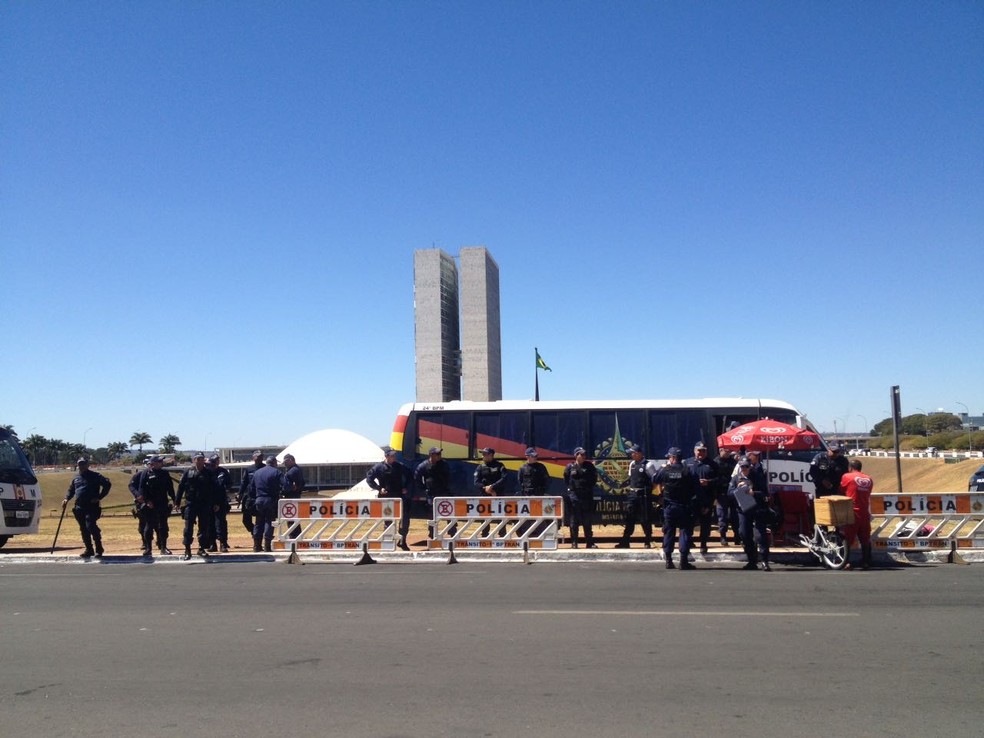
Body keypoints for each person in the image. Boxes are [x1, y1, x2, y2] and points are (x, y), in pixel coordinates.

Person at [653, 447, 696, 569]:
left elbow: (655, 479)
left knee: (669, 532)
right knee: (684, 532)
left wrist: (662, 467)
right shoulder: (687, 470)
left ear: (672, 458)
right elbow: (695, 488)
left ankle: (669, 560)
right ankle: (683, 561)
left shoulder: (665, 470)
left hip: (669, 507)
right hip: (684, 506)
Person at [62, 458, 112, 558]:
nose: (81, 466)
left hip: (92, 506)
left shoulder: (96, 476)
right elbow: (71, 490)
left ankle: (99, 548)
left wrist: (99, 497)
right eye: (79, 464)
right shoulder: (76, 478)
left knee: (90, 525)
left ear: (87, 465)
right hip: (79, 507)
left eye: (83, 464)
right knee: (83, 529)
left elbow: (107, 484)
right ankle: (89, 550)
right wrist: (66, 499)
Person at [729, 456, 772, 571]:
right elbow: (729, 493)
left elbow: (765, 493)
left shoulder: (758, 477)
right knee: (743, 533)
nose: (744, 469)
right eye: (742, 467)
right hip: (743, 509)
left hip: (757, 508)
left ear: (750, 466)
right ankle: (751, 560)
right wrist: (736, 490)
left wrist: (754, 493)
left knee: (760, 535)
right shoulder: (735, 479)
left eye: (746, 467)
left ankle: (764, 560)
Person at [175, 452, 219, 560]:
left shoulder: (208, 473)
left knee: (203, 528)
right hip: (191, 503)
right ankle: (187, 549)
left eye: (201, 459)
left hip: (204, 504)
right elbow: (181, 488)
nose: (200, 461)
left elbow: (215, 489)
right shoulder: (188, 472)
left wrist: (215, 503)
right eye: (198, 459)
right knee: (188, 528)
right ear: (194, 460)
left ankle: (201, 548)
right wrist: (177, 502)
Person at [367, 446, 412, 550]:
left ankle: (402, 540)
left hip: (400, 497)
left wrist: (406, 488)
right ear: (386, 456)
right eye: (391, 455)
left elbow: (410, 475)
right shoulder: (378, 467)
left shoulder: (400, 466)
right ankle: (388, 543)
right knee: (388, 521)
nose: (394, 457)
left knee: (404, 520)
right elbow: (369, 479)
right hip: (386, 498)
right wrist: (379, 488)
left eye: (394, 455)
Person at [134, 455, 177, 556]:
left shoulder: (165, 473)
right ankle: (148, 548)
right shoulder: (145, 473)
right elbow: (141, 489)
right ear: (153, 463)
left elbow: (170, 488)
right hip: (150, 504)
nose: (161, 463)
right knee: (149, 526)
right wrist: (147, 501)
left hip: (162, 503)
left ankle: (163, 547)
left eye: (161, 461)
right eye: (159, 461)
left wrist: (175, 500)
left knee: (163, 526)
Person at [617, 444, 657, 549]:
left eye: (633, 453)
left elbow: (655, 480)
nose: (631, 455)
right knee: (629, 518)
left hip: (643, 495)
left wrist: (648, 490)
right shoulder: (632, 464)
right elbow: (631, 478)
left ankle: (647, 541)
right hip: (633, 494)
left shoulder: (648, 465)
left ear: (639, 453)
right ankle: (625, 541)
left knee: (645, 519)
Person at [839, 459, 875, 569]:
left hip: (852, 511)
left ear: (850, 468)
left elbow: (841, 490)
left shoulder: (847, 476)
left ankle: (845, 562)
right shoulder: (869, 479)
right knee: (865, 538)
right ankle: (866, 561)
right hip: (865, 511)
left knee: (847, 538)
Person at [684, 442, 718, 555]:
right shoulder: (687, 463)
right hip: (691, 499)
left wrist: (709, 482)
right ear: (694, 451)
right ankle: (688, 542)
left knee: (705, 524)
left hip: (706, 499)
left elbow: (720, 481)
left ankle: (703, 544)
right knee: (689, 523)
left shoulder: (712, 464)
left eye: (703, 451)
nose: (701, 453)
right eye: (699, 450)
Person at [564, 447, 598, 549]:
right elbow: (566, 479)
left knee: (587, 521)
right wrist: (572, 492)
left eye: (584, 455)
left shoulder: (589, 466)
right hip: (574, 497)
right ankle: (574, 543)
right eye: (581, 455)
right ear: (576, 455)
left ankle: (589, 543)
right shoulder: (570, 467)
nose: (584, 456)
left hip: (586, 496)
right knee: (574, 521)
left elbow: (594, 479)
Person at [250, 455, 284, 552]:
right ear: (274, 463)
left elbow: (251, 488)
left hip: (259, 499)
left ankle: (256, 545)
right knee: (269, 521)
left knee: (258, 522)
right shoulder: (277, 472)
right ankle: (267, 545)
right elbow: (285, 484)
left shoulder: (257, 473)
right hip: (271, 500)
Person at [415, 447, 451, 539]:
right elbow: (417, 478)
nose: (439, 456)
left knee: (449, 513)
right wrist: (424, 489)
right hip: (431, 494)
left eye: (440, 454)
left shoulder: (444, 464)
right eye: (437, 454)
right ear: (431, 455)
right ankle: (432, 534)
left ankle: (452, 533)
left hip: (443, 492)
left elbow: (448, 477)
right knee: (432, 515)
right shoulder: (423, 465)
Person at [474, 447, 509, 537]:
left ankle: (502, 536)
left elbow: (504, 479)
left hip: (498, 495)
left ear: (491, 455)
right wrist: (486, 489)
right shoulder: (480, 467)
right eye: (483, 454)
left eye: (485, 454)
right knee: (484, 517)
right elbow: (476, 482)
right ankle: (485, 536)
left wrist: (493, 487)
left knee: (500, 516)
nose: (483, 456)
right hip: (485, 496)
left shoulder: (499, 465)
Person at [517, 447, 550, 537]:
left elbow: (547, 480)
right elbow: (520, 481)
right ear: (527, 456)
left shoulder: (541, 467)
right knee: (526, 516)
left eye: (536, 456)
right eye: (533, 456)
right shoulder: (523, 468)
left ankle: (542, 535)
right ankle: (526, 535)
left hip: (538, 495)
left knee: (540, 515)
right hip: (527, 496)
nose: (535, 457)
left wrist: (542, 491)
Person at [207, 454, 233, 552]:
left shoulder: (223, 471)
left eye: (217, 460)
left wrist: (225, 490)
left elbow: (229, 484)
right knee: (210, 524)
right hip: (209, 502)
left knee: (221, 524)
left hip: (221, 501)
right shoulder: (207, 472)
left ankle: (223, 544)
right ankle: (212, 544)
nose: (216, 463)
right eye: (214, 461)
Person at [715, 447, 739, 545]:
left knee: (735, 515)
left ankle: (737, 536)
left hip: (733, 493)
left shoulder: (733, 462)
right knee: (722, 516)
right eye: (726, 451)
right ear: (721, 451)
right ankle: (723, 536)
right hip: (721, 493)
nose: (728, 452)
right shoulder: (715, 463)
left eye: (729, 451)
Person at [238, 450, 264, 534]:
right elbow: (244, 483)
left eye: (261, 456)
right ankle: (254, 532)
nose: (259, 458)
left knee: (259, 519)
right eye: (257, 456)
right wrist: (240, 494)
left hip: (260, 496)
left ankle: (258, 537)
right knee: (246, 520)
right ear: (253, 457)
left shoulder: (265, 468)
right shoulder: (249, 469)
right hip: (249, 497)